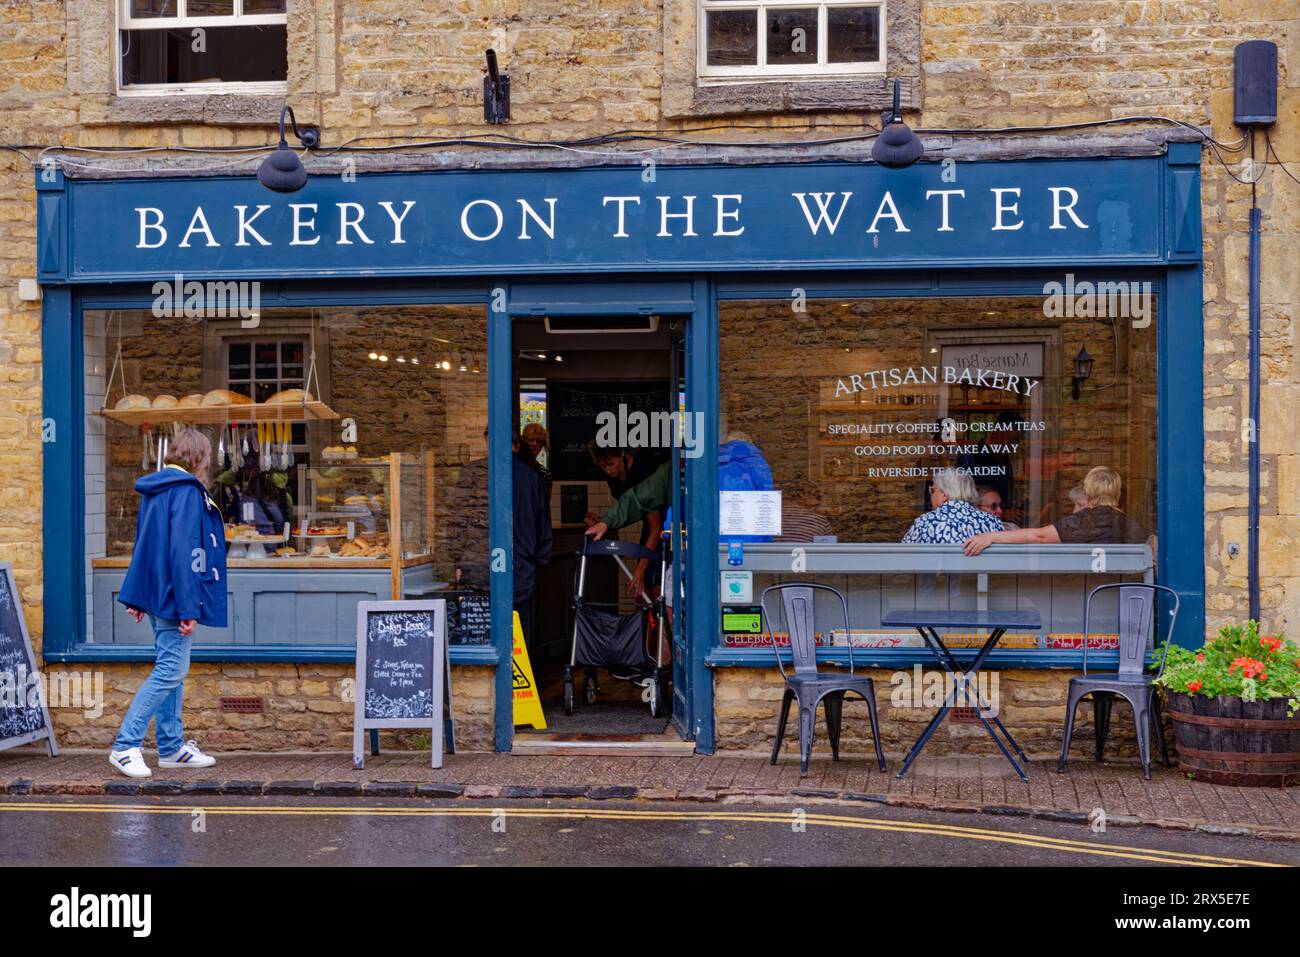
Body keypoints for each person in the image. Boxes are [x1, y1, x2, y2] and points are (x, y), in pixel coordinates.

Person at [110, 428, 225, 779]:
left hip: (158, 595)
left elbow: (145, 544)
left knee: (172, 670)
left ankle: (172, 747)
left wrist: (138, 595)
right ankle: (124, 745)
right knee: (171, 671)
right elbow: (186, 554)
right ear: (201, 459)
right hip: (176, 598)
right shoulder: (188, 492)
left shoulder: (155, 490)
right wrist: (189, 608)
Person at [963, 466, 1146, 555]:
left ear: (1089, 491)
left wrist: (992, 537)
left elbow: (1039, 536)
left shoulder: (1088, 520)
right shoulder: (1131, 523)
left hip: (1088, 595)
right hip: (1123, 598)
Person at [586, 443, 666, 596]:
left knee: (655, 585)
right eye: (603, 466)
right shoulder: (614, 478)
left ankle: (662, 618)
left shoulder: (641, 471)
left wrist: (640, 570)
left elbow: (656, 527)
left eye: (611, 464)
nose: (608, 470)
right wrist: (604, 522)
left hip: (664, 523)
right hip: (649, 524)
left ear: (622, 454)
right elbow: (629, 510)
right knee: (643, 589)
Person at [512, 434, 552, 648]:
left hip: (487, 563)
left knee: (485, 623)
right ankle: (521, 677)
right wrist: (539, 561)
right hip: (524, 562)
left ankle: (499, 679)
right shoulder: (534, 478)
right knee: (521, 624)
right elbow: (543, 524)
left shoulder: (483, 475)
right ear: (518, 446)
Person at [901, 468, 1003, 544]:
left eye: (932, 490)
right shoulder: (991, 521)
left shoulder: (925, 522)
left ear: (944, 494)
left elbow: (904, 557)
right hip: (978, 573)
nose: (931, 495)